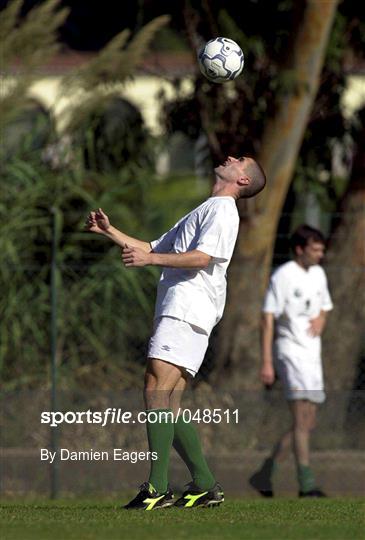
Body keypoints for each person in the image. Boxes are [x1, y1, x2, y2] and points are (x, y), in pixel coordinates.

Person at [86, 156, 266, 510]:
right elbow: (152, 247)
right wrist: (109, 231)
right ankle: (204, 485)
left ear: (242, 181)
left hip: (186, 309)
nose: (231, 158)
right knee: (169, 402)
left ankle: (156, 488)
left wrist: (151, 262)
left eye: (240, 160)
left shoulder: (223, 210)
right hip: (187, 311)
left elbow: (201, 258)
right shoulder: (208, 208)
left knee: (155, 388)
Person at [250, 224, 333, 498]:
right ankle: (306, 484)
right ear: (300, 249)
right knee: (300, 417)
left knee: (308, 422)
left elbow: (324, 305)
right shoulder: (283, 276)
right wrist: (267, 361)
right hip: (291, 352)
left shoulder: (319, 273)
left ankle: (265, 473)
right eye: (315, 249)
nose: (320, 254)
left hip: (312, 354)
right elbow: (267, 318)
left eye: (322, 249)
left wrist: (321, 317)